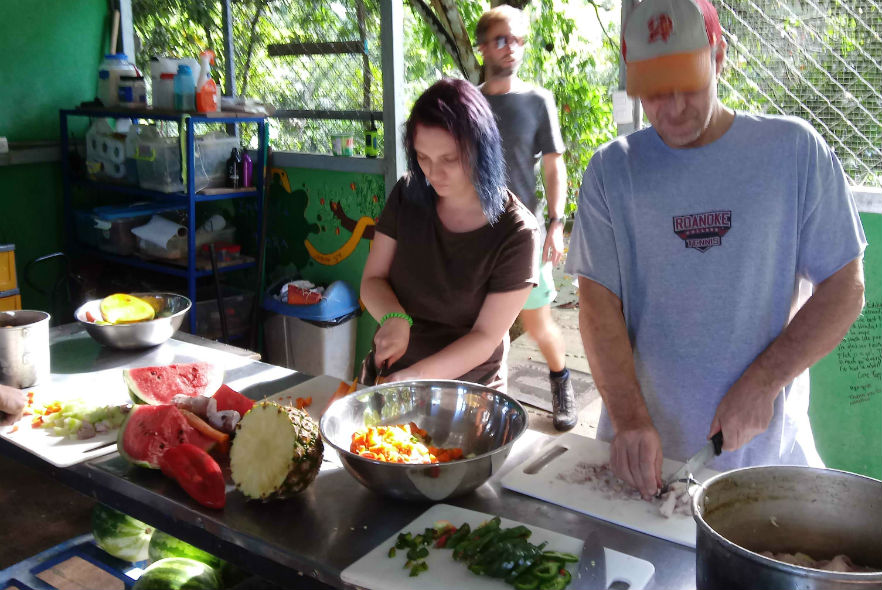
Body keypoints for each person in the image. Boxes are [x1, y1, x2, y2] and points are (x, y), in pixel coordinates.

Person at [565, 0, 866, 499]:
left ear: (719, 55)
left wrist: (766, 380)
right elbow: (598, 306)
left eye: (688, 82)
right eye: (655, 92)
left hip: (764, 464)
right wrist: (629, 418)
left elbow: (845, 287)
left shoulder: (793, 151)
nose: (675, 106)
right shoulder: (611, 172)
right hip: (645, 464)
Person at [360, 78, 539, 389]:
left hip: (467, 393)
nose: (433, 174)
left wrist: (412, 379)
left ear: (481, 150)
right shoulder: (407, 193)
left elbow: (484, 337)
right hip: (388, 374)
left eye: (450, 159)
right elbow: (372, 279)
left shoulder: (518, 232)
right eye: (423, 158)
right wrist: (394, 318)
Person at [476, 6, 577, 430]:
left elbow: (554, 167)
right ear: (481, 46)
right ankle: (488, 400)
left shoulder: (538, 101)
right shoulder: (469, 101)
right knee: (483, 324)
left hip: (525, 233)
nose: (511, 48)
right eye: (501, 39)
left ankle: (561, 380)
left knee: (536, 321)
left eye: (518, 40)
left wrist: (556, 223)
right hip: (477, 233)